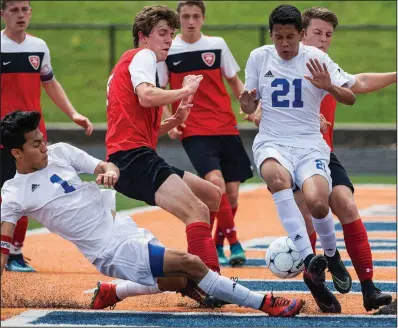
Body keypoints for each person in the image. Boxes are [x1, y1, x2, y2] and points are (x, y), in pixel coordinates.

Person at [0, 110, 304, 318]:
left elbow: (105, 165)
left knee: (178, 281)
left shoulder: (61, 152)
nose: (44, 147)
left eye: (42, 139)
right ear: (16, 152)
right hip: (111, 251)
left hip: (124, 228)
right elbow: (2, 246)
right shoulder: (14, 194)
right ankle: (265, 303)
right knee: (192, 264)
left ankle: (113, 292)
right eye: (36, 144)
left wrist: (108, 172)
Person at [245, 6, 396, 313]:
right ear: (304, 31)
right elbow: (255, 103)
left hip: (317, 152)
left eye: (328, 35)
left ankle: (368, 287)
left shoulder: (322, 66)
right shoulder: (265, 57)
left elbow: (358, 85)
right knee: (302, 214)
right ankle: (317, 282)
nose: (323, 40)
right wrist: (253, 110)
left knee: (340, 204)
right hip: (280, 150)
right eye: (318, 33)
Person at [105, 5, 228, 304]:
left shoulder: (131, 65)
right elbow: (147, 97)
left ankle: (199, 273)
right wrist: (184, 92)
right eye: (162, 33)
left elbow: (136, 127)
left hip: (134, 154)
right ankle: (212, 283)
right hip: (133, 159)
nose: (169, 39)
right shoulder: (141, 57)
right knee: (197, 210)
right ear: (142, 37)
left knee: (212, 195)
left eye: (170, 34)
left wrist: (172, 121)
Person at [157, 0, 253, 267]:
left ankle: (217, 245)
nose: (190, 21)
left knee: (231, 195)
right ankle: (234, 243)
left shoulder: (217, 45)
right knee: (216, 183)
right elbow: (160, 90)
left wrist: (252, 108)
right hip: (193, 128)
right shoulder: (169, 50)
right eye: (185, 16)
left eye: (195, 16)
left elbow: (235, 82)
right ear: (178, 19)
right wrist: (170, 120)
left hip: (225, 124)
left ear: (203, 18)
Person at [0, 0, 93, 273]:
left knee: (29, 191)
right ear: (2, 13)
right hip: (3, 132)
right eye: (14, 10)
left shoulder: (38, 47)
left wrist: (73, 113)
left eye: (24, 10)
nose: (20, 15)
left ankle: (15, 253)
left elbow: (50, 82)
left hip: (31, 136)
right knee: (8, 194)